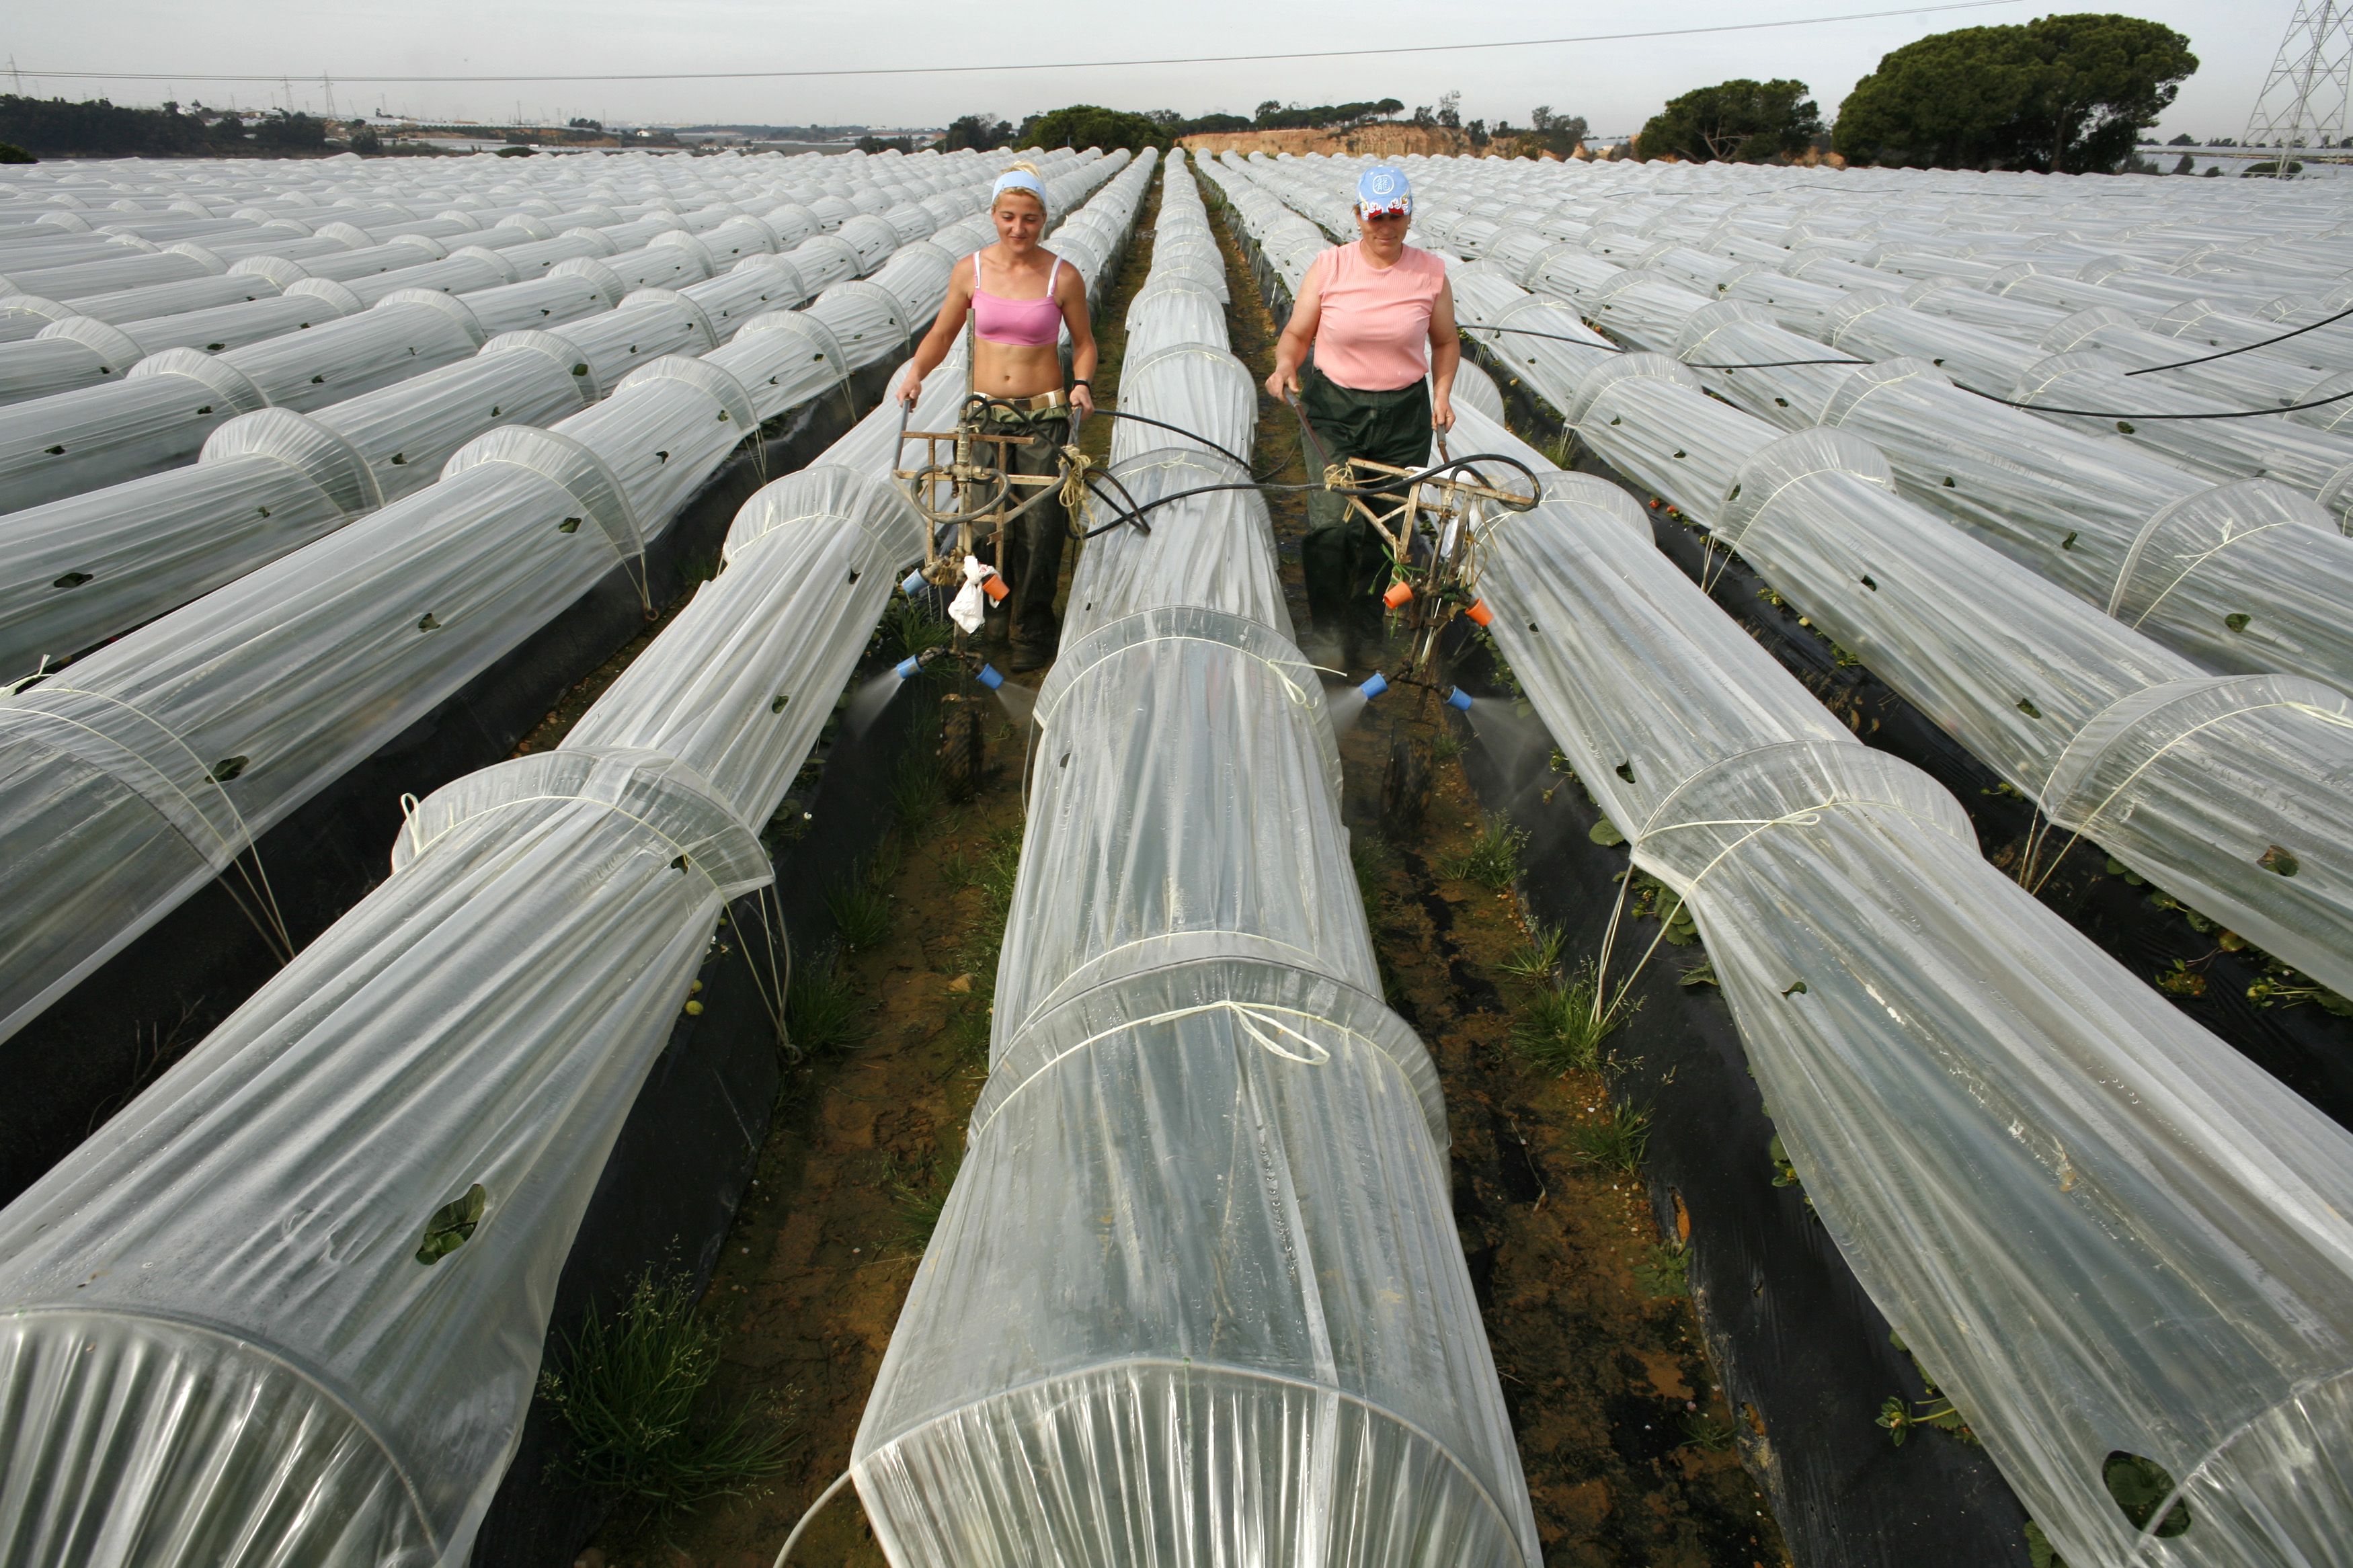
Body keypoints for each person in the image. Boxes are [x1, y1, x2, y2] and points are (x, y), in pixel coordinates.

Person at [899, 163, 1097, 671]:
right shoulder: (971, 271)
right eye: (1008, 217)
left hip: (1041, 418)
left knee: (1040, 527)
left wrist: (1081, 383)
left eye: (1029, 218)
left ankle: (1032, 628)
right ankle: (992, 615)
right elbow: (942, 333)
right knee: (984, 526)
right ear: (994, 215)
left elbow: (1085, 343)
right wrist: (916, 372)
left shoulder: (1062, 276)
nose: (1018, 228)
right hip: (985, 418)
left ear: (1044, 219)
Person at [1263, 163, 1460, 669]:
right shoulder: (1330, 267)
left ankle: (1367, 625)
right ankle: (1329, 632)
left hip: (1403, 417)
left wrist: (1442, 393)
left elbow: (1445, 341)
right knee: (1334, 522)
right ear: (1358, 216)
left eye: (1395, 216)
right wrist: (1285, 365)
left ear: (1408, 216)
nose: (1385, 227)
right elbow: (1297, 334)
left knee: (1387, 526)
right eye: (1376, 217)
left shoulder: (1430, 273)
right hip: (1335, 411)